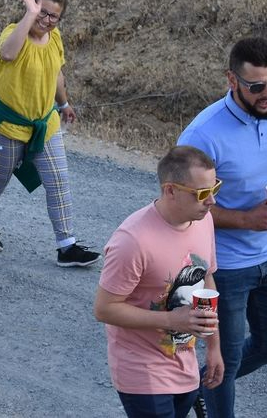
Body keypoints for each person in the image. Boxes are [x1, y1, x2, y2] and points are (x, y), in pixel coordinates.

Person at [177, 37, 267, 418]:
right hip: (224, 268)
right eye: (257, 86)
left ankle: (196, 386)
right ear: (232, 80)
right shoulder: (203, 134)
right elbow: (184, 207)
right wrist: (247, 220)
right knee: (226, 360)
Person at [0, 0, 100, 266]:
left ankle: (67, 246)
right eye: (42, 12)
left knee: (58, 180)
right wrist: (29, 17)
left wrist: (64, 104)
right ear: (32, 7)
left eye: (54, 16)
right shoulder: (13, 32)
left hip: (45, 124)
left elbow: (56, 72)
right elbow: (7, 54)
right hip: (8, 124)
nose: (46, 20)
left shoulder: (54, 38)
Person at [94, 145, 224, 418]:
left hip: (184, 365)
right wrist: (171, 321)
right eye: (202, 193)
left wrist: (213, 348)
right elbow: (104, 309)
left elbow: (207, 277)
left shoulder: (204, 220)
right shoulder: (133, 240)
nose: (211, 200)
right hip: (142, 372)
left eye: (215, 188)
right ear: (170, 190)